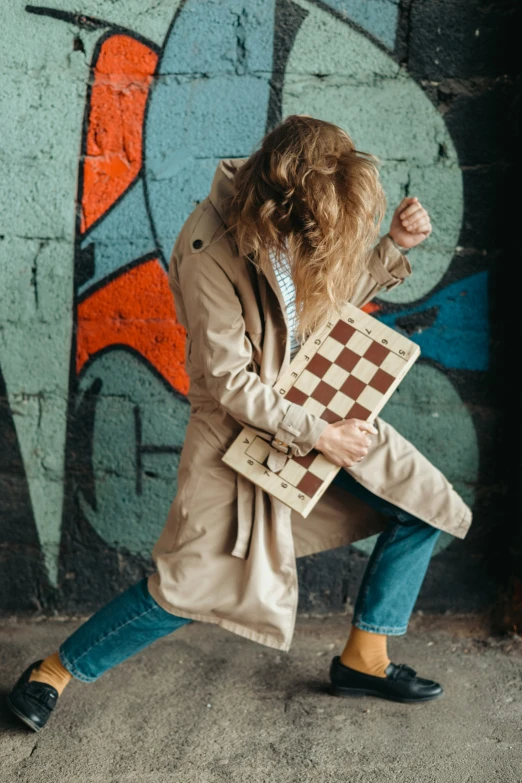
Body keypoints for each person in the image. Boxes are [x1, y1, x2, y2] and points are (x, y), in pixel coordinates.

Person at [8, 115, 472, 732]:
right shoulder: (208, 246)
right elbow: (231, 385)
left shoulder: (298, 211)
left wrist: (389, 249)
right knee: (188, 585)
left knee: (424, 507)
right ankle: (54, 673)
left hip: (313, 404)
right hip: (237, 432)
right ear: (282, 196)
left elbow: (323, 303)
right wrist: (320, 435)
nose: (321, 231)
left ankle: (366, 656)